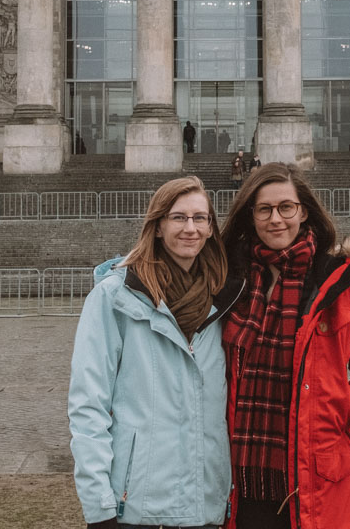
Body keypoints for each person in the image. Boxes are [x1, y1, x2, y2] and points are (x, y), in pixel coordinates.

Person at [222, 163, 350, 529]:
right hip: (234, 483)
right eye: (264, 209)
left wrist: (342, 403)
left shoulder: (347, 286)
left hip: (314, 479)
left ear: (303, 211)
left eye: (286, 207)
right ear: (250, 216)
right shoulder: (228, 280)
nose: (277, 219)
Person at [69, 176, 243, 528]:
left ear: (211, 228)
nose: (190, 228)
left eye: (200, 218)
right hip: (137, 508)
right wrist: (99, 507)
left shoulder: (226, 297)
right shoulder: (113, 297)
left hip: (208, 505)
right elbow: (89, 406)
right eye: (178, 217)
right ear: (158, 226)